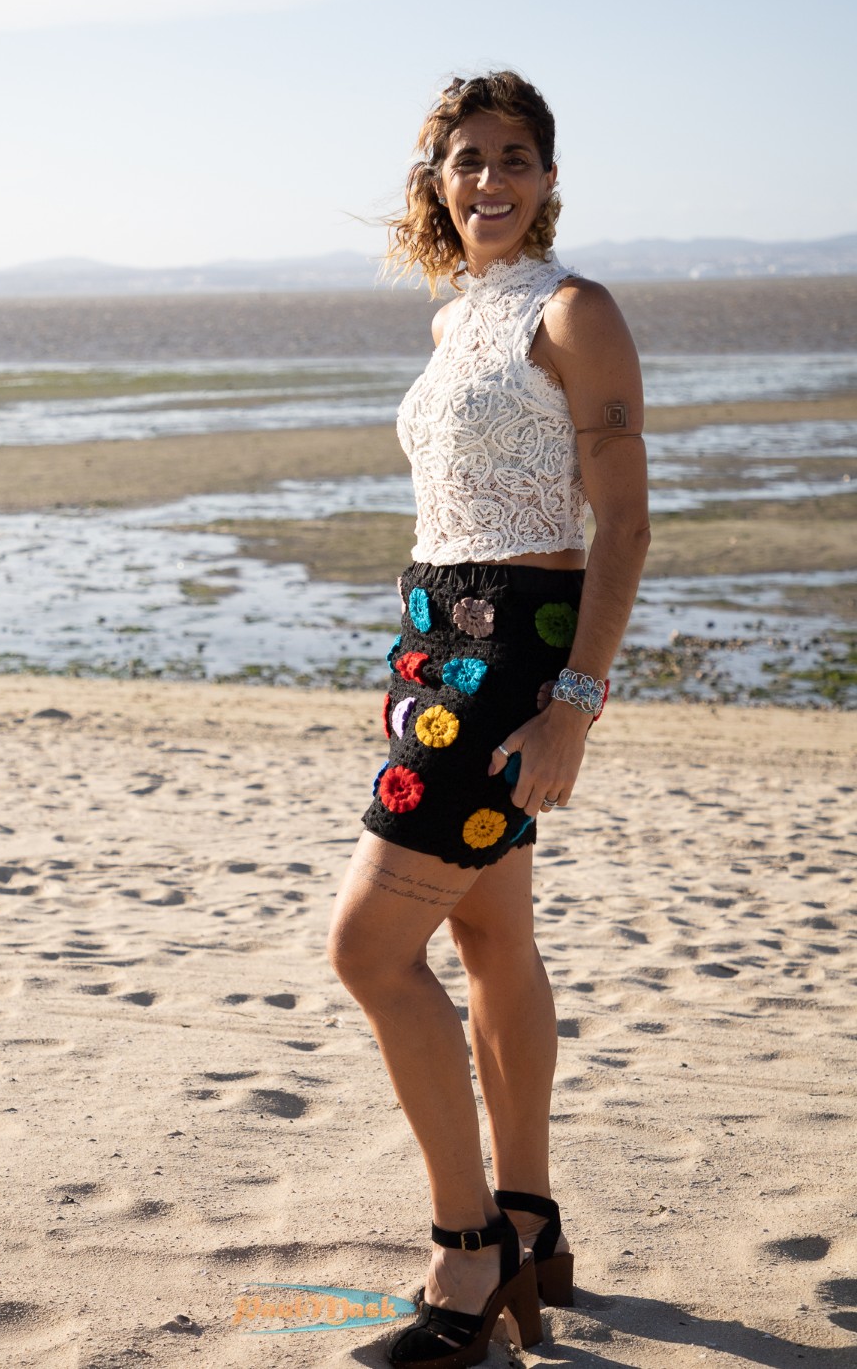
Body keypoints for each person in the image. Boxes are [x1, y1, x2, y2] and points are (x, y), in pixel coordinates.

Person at [327, 70, 650, 1366]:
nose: (492, 179)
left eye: (516, 156)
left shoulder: (576, 311)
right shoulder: (457, 313)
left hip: (515, 659)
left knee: (367, 950)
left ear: (550, 177)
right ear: (439, 180)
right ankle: (531, 1222)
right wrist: (417, 657)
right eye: (469, 158)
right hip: (432, 646)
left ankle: (470, 1255)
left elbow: (624, 525)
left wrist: (575, 705)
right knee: (490, 941)